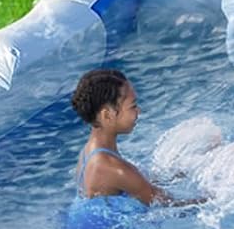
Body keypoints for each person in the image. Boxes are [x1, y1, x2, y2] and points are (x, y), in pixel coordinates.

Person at [69, 68, 198, 207]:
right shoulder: (114, 168)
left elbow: (131, 184)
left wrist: (176, 175)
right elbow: (168, 205)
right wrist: (212, 199)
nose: (138, 111)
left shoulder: (89, 151)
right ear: (107, 115)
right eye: (133, 106)